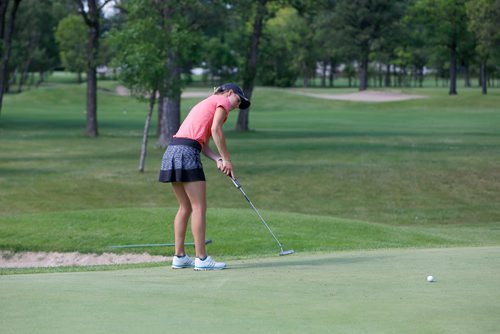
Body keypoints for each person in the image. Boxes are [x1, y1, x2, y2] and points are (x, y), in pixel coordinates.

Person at [159, 83, 251, 271]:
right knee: (199, 206)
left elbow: (202, 144)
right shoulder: (222, 101)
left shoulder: (206, 103)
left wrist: (218, 159)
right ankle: (201, 259)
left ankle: (180, 256)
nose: (235, 106)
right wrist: (227, 159)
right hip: (186, 153)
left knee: (185, 207)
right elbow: (216, 130)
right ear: (229, 93)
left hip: (173, 151)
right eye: (237, 100)